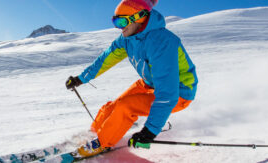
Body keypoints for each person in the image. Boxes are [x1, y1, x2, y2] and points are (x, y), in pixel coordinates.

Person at [65, 0, 198, 157]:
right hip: (149, 83)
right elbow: (107, 58)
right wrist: (81, 78)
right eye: (115, 21)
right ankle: (93, 135)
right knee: (111, 107)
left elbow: (168, 93)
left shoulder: (161, 41)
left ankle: (101, 143)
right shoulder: (128, 38)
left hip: (179, 92)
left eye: (122, 21)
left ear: (139, 17)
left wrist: (150, 131)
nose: (119, 27)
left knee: (125, 107)